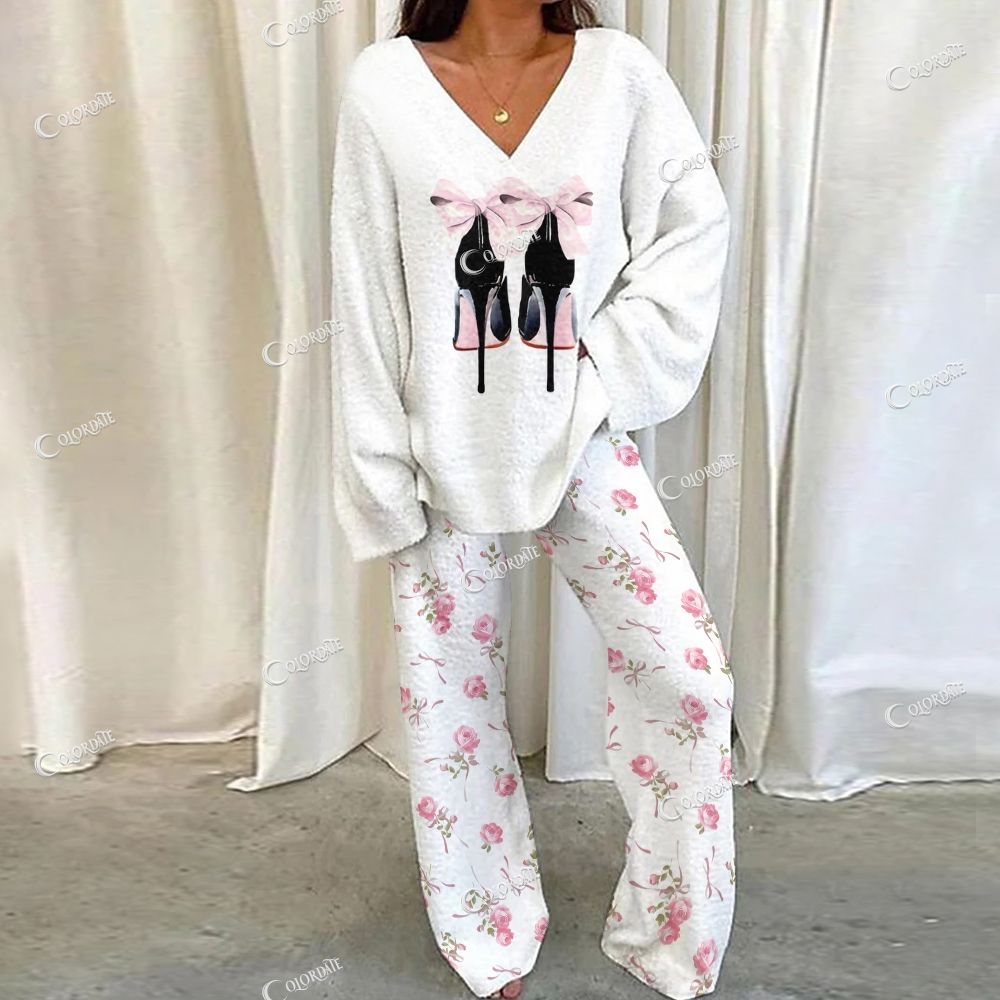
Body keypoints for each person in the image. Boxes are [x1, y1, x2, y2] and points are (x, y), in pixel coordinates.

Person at [329, 1, 734, 997]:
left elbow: (693, 227)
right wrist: (380, 466)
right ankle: (488, 927)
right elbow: (364, 289)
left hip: (579, 433)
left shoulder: (617, 73)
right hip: (439, 445)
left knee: (688, 682)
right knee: (450, 704)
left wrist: (605, 371)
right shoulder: (384, 86)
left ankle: (668, 926)